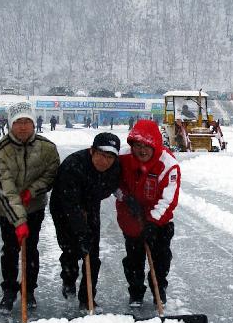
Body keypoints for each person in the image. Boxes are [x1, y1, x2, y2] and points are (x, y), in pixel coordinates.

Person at [0, 101, 60, 315]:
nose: (23, 126)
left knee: (30, 250)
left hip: (34, 207)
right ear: (11, 124)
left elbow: (51, 174)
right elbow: (6, 190)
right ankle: (10, 291)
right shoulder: (0, 151)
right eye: (18, 122)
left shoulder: (47, 148)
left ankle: (28, 290)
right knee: (11, 250)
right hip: (6, 210)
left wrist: (33, 190)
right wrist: (19, 221)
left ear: (33, 123)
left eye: (27, 121)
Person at [50, 132, 121, 309]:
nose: (105, 161)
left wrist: (125, 198)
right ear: (92, 151)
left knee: (92, 253)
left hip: (90, 204)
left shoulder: (115, 168)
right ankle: (68, 279)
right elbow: (70, 204)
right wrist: (81, 233)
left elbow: (113, 186)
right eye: (102, 155)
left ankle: (87, 296)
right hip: (63, 206)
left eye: (110, 157)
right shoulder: (73, 165)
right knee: (71, 249)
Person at [115, 120, 181, 307]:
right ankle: (135, 292)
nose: (142, 150)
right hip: (131, 217)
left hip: (160, 221)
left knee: (160, 260)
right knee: (133, 260)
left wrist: (153, 223)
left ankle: (158, 290)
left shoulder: (168, 165)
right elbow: (113, 183)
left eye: (147, 146)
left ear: (156, 146)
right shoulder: (123, 157)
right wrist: (125, 197)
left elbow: (169, 199)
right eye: (138, 145)